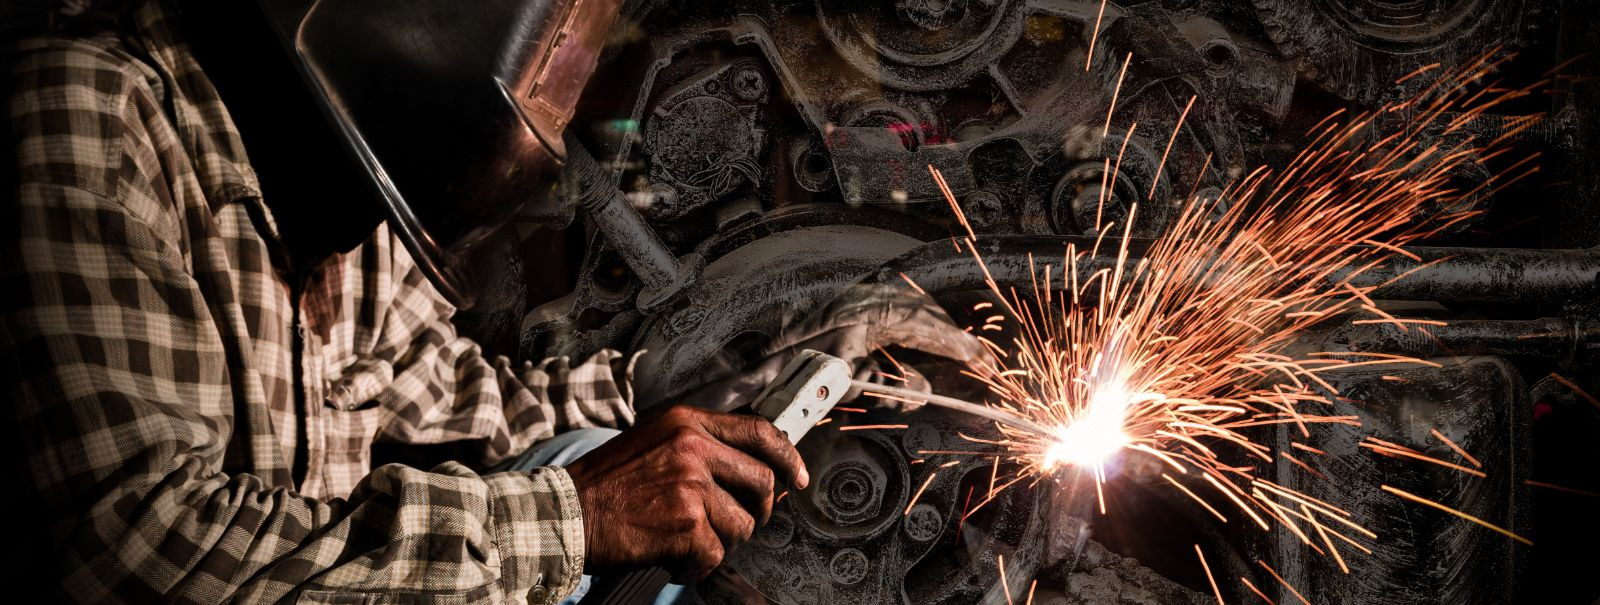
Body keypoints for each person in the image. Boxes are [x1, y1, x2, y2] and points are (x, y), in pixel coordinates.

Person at [0, 1, 983, 603]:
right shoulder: (91, 112)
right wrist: (571, 515)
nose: (555, 83)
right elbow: (130, 554)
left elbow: (494, 409)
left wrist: (749, 383)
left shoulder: (343, 197)